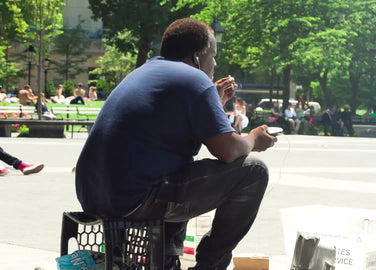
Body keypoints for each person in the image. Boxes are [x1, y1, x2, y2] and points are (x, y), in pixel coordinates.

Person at [75, 18, 276, 270]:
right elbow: (228, 151)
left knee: (180, 171)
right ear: (197, 56)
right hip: (134, 199)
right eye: (213, 56)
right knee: (254, 170)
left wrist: (213, 101)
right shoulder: (194, 80)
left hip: (93, 194)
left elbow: (173, 132)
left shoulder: (146, 71)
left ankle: (167, 261)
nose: (214, 64)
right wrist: (254, 139)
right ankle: (209, 266)